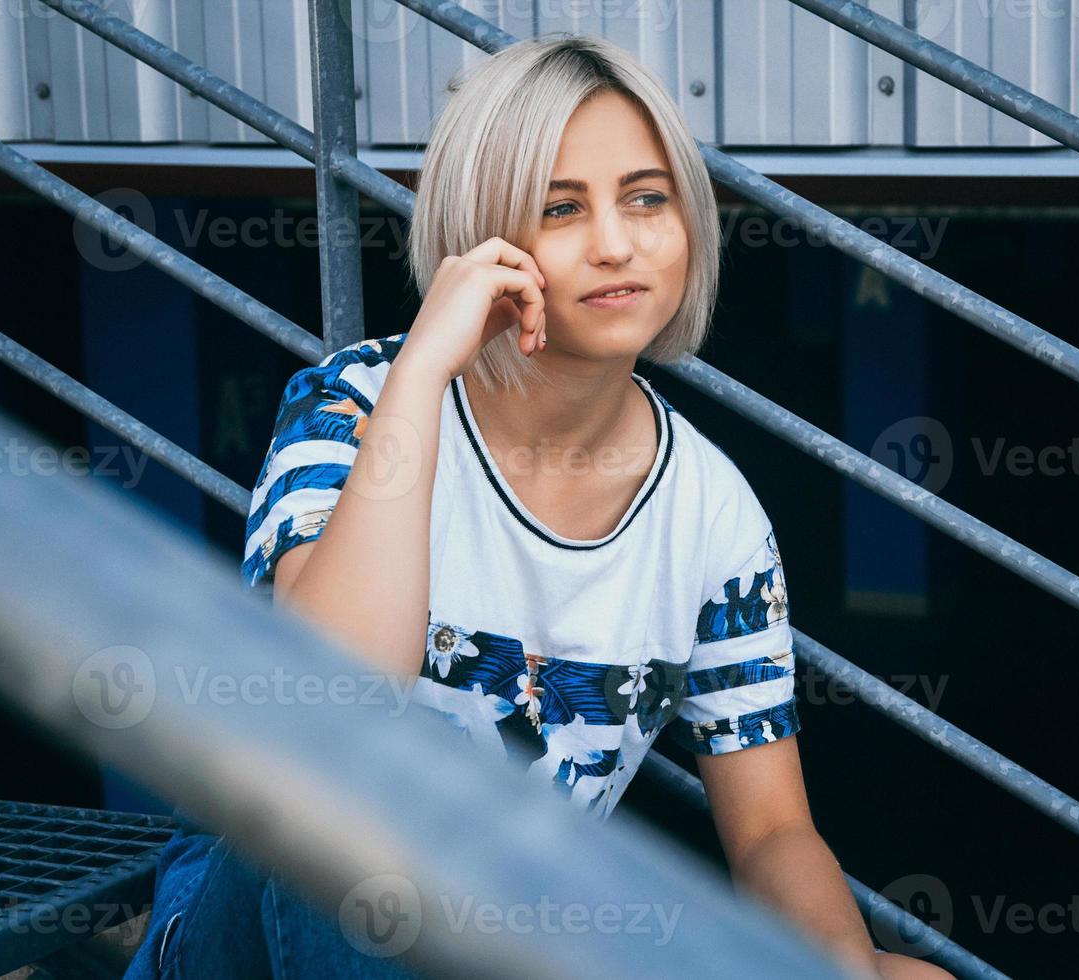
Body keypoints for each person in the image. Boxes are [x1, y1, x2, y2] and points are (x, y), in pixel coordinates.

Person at [126, 33, 953, 980]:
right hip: (265, 910)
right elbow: (330, 707)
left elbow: (771, 833)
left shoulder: (713, 515)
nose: (615, 242)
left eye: (647, 198)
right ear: (486, 238)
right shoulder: (354, 404)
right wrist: (428, 365)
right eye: (562, 208)